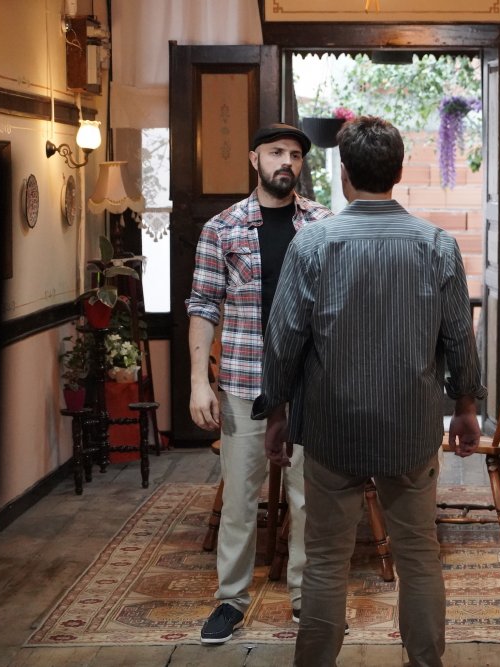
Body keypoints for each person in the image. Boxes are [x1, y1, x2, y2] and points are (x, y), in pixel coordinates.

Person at [253, 115, 485, 667]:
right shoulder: (436, 245)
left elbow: (283, 340)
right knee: (419, 557)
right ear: (399, 172)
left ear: (344, 174)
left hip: (331, 426)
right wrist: (467, 406)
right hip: (410, 426)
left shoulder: (313, 244)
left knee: (326, 561)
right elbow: (459, 337)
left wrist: (277, 411)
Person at [187, 123, 332, 644]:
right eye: (275, 152)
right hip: (244, 382)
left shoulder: (323, 225)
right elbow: (203, 304)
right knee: (239, 502)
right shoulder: (221, 228)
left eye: (294, 154)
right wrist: (198, 382)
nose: (285, 162)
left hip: (309, 387)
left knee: (309, 501)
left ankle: (306, 599)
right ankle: (230, 600)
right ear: (254, 159)